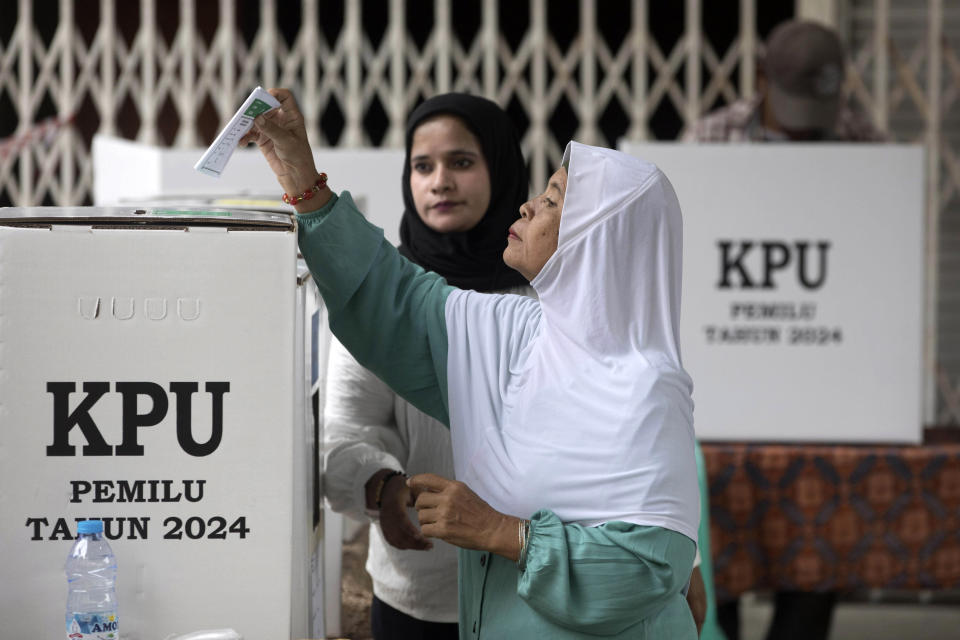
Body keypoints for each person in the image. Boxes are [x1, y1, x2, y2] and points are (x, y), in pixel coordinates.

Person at [243, 88, 700, 637]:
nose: (528, 206)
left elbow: (650, 567)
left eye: (553, 201)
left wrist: (503, 534)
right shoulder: (518, 332)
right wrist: (302, 177)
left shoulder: (645, 384)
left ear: (596, 239)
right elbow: (398, 300)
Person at [684, 19, 886, 640]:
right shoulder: (709, 139)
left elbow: (877, 269)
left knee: (816, 551)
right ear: (760, 79)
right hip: (719, 392)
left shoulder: (865, 145)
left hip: (820, 397)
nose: (803, 123)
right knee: (716, 561)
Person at [322, 93, 532, 639]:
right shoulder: (385, 301)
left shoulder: (550, 292)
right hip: (416, 598)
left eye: (461, 162)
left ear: (502, 168)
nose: (439, 181)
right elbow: (343, 432)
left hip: (537, 589)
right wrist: (384, 485)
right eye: (423, 165)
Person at [683, 19, 884, 143]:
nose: (805, 129)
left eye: (820, 110)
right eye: (797, 106)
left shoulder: (860, 136)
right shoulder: (711, 137)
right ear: (761, 79)